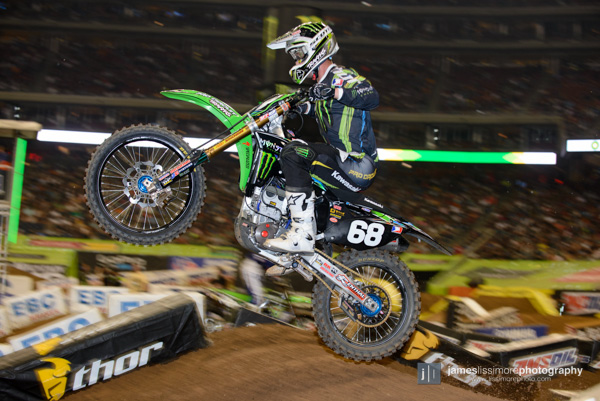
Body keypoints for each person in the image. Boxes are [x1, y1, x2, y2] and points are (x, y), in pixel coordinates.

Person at [263, 22, 380, 266]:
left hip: (358, 164)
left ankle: (302, 235)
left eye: (299, 53)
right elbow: (322, 110)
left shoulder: (341, 76)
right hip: (340, 162)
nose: (297, 59)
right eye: (294, 55)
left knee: (295, 153)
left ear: (316, 49)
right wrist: (295, 110)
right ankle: (296, 239)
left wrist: (334, 91)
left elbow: (371, 96)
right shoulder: (321, 87)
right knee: (285, 157)